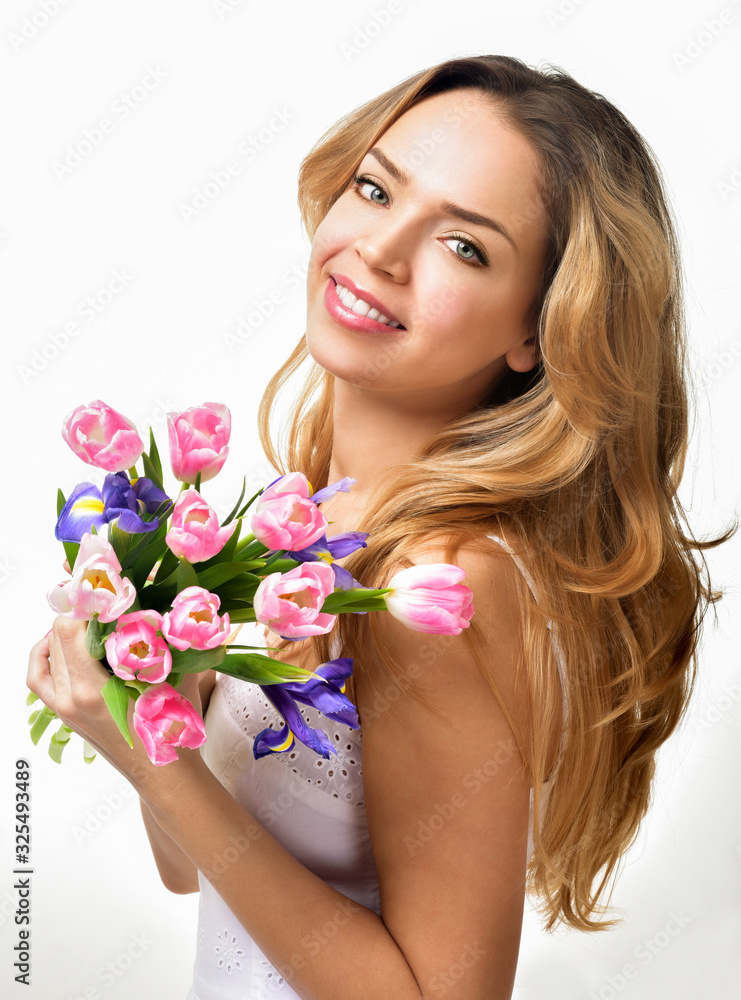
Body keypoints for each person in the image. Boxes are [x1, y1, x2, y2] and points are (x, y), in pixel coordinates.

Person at [27, 54, 736, 1000]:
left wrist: (159, 773)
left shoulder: (436, 584)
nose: (380, 250)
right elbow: (195, 869)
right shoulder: (313, 522)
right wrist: (163, 715)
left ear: (538, 330)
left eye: (464, 246)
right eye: (375, 188)